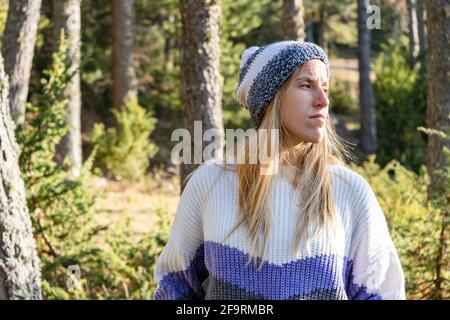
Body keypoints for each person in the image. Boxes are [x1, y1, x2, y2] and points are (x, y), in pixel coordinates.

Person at [153, 41, 406, 300]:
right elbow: (174, 289)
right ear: (271, 98)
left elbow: (383, 293)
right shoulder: (209, 184)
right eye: (306, 85)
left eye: (326, 88)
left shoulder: (349, 192)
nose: (323, 100)